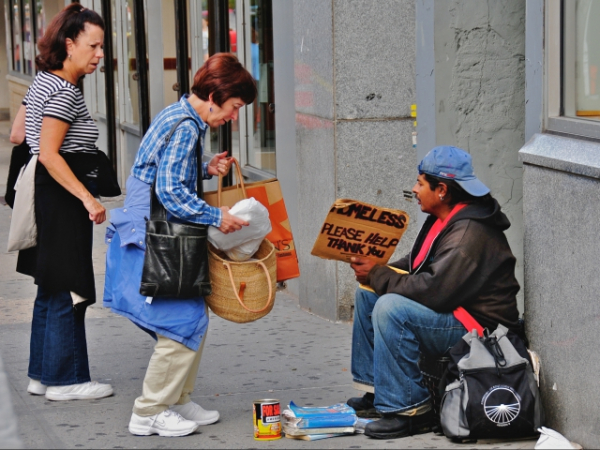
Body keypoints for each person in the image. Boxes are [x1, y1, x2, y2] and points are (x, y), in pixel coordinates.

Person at [103, 53, 257, 437]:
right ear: (215, 96)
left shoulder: (180, 116)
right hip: (159, 234)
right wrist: (217, 216)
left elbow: (163, 167)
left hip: (152, 231)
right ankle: (150, 410)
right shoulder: (187, 127)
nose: (234, 117)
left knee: (189, 317)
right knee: (181, 321)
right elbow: (170, 190)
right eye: (234, 107)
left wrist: (206, 167)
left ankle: (176, 398)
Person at [346, 146, 521, 439]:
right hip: (455, 308)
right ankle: (378, 392)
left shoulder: (469, 233)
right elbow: (418, 266)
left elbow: (435, 290)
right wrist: (377, 270)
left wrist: (378, 274)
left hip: (480, 328)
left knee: (390, 308)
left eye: (420, 183)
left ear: (441, 189)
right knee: (368, 294)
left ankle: (411, 410)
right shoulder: (445, 217)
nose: (414, 189)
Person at [12, 3, 113, 401]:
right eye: (94, 45)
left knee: (50, 285)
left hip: (44, 193)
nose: (100, 54)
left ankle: (41, 375)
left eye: (102, 46)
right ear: (70, 44)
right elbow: (52, 154)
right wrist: (88, 198)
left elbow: (19, 134)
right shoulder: (65, 91)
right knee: (70, 285)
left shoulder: (42, 82)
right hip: (62, 196)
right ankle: (67, 380)